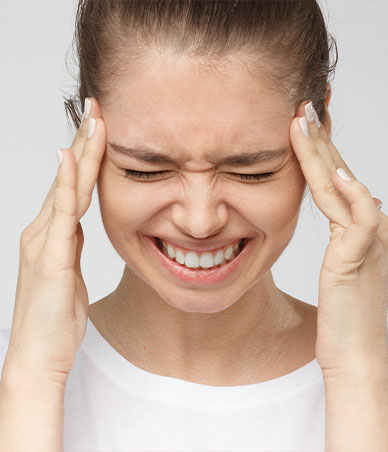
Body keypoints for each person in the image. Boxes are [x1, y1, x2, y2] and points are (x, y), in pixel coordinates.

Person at [1, 1, 387, 451]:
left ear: (317, 129)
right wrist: (31, 380)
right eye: (146, 170)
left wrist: (360, 373)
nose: (200, 222)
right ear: (87, 134)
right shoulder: (21, 377)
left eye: (251, 172)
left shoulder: (373, 378)